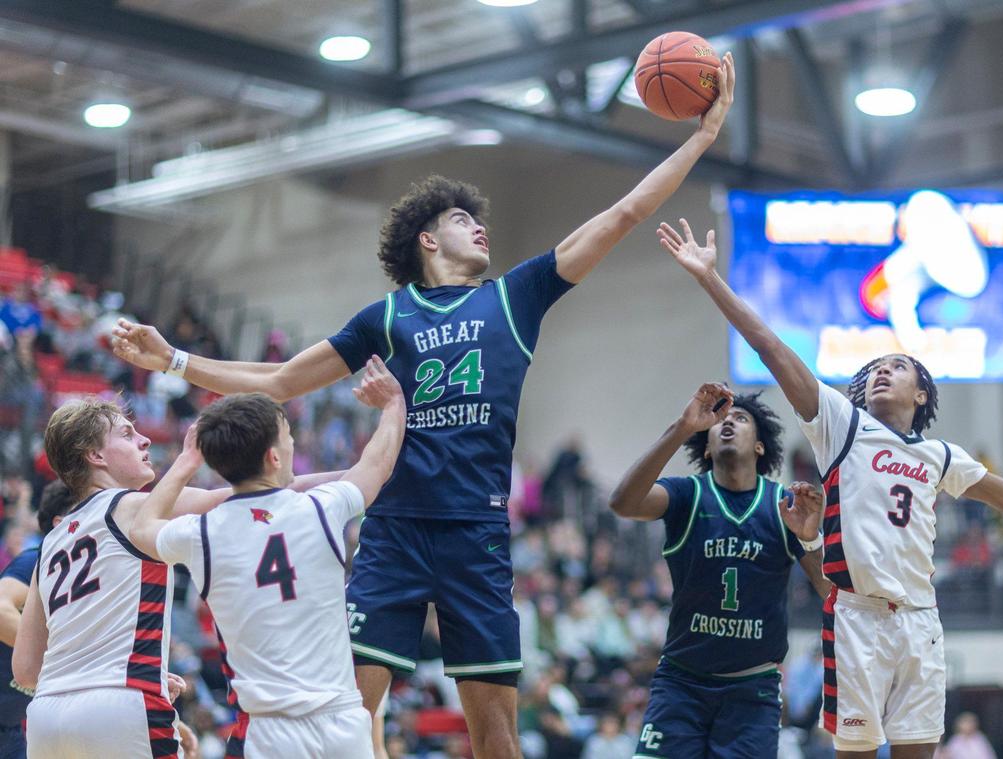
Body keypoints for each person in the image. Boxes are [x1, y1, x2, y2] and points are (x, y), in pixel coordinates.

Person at [109, 52, 737, 759]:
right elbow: (282, 381)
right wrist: (173, 361)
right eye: (466, 219)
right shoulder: (386, 314)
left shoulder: (516, 295)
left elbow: (623, 213)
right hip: (396, 527)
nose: (483, 230)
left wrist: (701, 138)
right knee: (351, 713)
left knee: (495, 731)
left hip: (478, 531)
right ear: (428, 239)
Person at [656, 217, 1003, 759]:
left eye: (899, 366)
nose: (884, 371)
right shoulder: (842, 424)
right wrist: (709, 279)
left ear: (922, 392)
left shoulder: (940, 456)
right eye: (878, 367)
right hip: (857, 619)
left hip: (919, 620)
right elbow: (770, 345)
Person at [11, 399, 341, 759]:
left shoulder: (50, 543)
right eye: (126, 433)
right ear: (95, 456)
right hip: (122, 704)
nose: (144, 440)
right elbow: (261, 495)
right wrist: (355, 480)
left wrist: (86, 677)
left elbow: (26, 669)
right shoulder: (132, 507)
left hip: (46, 720)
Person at [127, 356, 405, 758]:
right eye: (288, 436)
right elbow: (377, 463)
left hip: (268, 732)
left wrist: (186, 463)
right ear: (274, 457)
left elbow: (141, 528)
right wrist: (393, 404)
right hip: (342, 724)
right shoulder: (320, 508)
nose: (292, 444)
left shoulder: (202, 533)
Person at [609, 383, 830, 757]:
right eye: (719, 421)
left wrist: (811, 540)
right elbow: (623, 503)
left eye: (740, 419)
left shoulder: (784, 505)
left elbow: (829, 590)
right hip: (682, 682)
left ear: (760, 446)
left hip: (752, 690)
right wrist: (682, 427)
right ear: (706, 446)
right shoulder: (686, 495)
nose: (728, 423)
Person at [0, 482, 73, 759]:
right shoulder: (39, 561)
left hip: (10, 728)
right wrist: (61, 657)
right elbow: (0, 610)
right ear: (61, 523)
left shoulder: (79, 579)